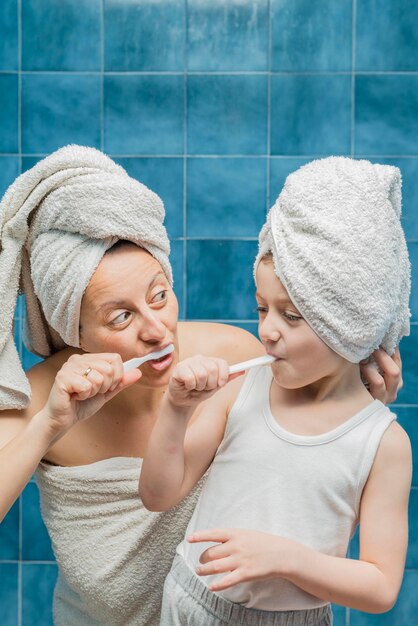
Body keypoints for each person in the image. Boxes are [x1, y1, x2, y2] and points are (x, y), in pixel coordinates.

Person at [0, 147, 403, 626]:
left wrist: (357, 393)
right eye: (121, 316)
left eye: (160, 295)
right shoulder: (43, 397)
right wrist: (49, 425)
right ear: (75, 332)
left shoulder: (232, 357)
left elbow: (309, 440)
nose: (157, 330)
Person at [139, 157, 412, 626]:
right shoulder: (241, 390)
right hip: (192, 606)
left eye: (291, 316)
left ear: (348, 322)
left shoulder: (382, 444)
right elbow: (157, 496)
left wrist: (286, 558)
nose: (266, 331)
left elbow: (381, 587)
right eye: (262, 308)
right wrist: (176, 409)